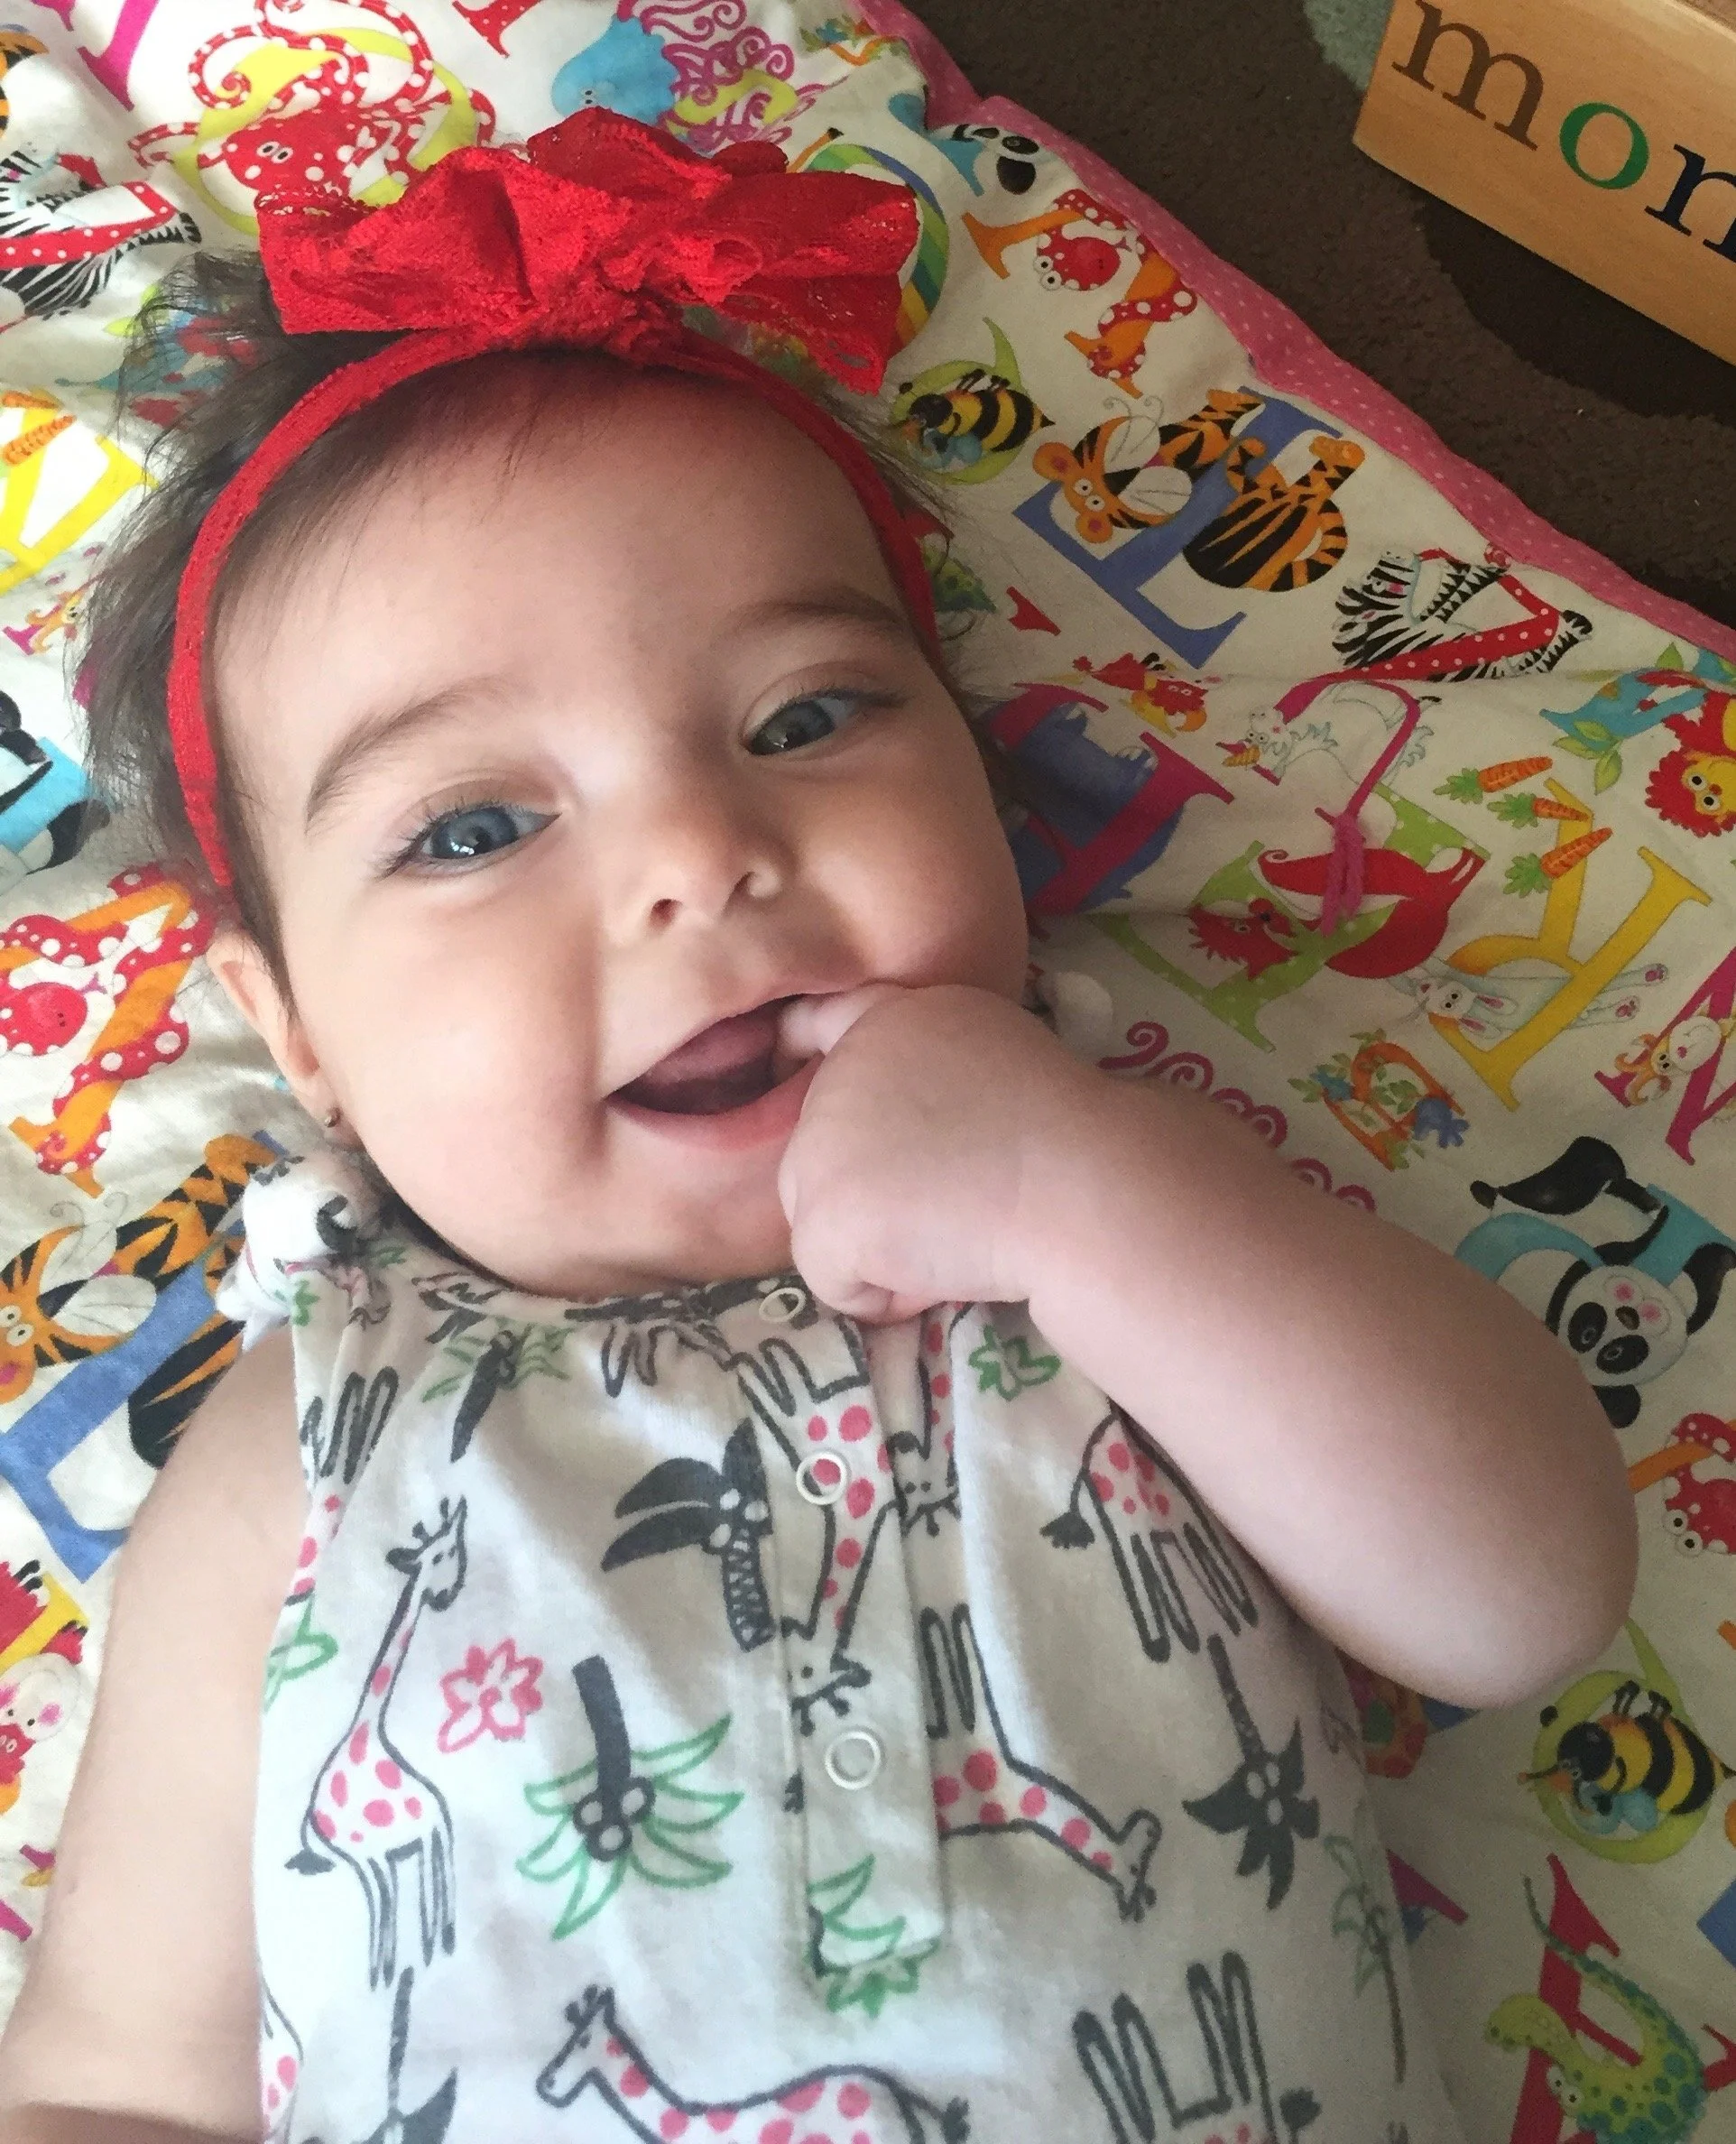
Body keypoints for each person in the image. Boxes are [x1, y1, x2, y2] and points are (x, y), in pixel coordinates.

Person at [0, 110, 1631, 2144]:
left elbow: (1518, 1601)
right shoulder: (306, 1440)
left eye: (804, 719)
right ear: (297, 1031)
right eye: (475, 828)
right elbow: (116, 2080)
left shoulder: (1134, 1256)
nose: (699, 855)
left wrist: (1066, 1188)